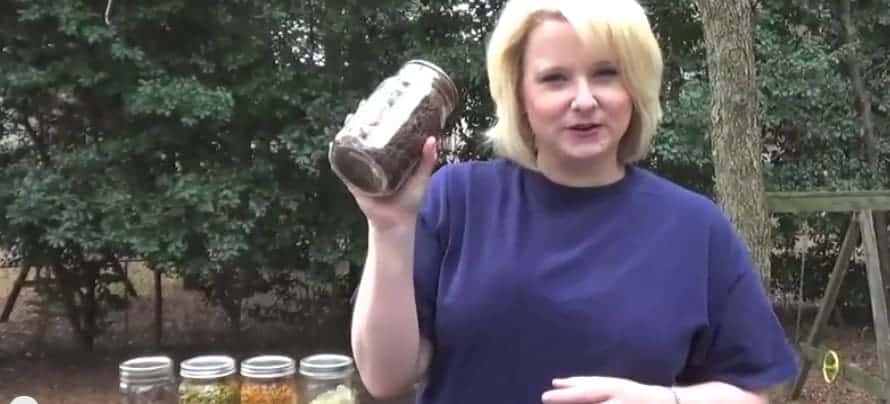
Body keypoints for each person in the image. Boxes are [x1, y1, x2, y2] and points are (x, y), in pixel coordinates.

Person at [346, 0, 800, 403]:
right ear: (521, 96)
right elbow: (386, 380)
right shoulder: (457, 198)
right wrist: (389, 227)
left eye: (606, 73)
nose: (584, 100)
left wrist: (667, 401)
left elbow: (752, 389)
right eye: (554, 79)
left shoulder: (695, 228)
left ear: (635, 87)